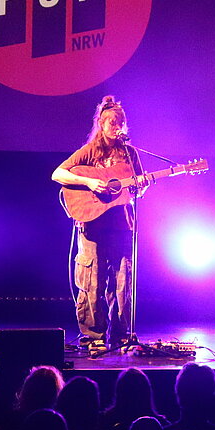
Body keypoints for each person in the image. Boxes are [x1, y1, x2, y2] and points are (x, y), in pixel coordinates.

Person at [52, 95, 151, 348]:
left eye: (121, 123)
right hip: (93, 225)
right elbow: (58, 173)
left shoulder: (130, 155)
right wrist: (89, 182)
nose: (117, 127)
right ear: (102, 124)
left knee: (123, 282)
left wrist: (143, 186)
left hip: (122, 225)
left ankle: (120, 335)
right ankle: (93, 336)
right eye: (112, 123)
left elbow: (135, 190)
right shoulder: (90, 152)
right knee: (92, 281)